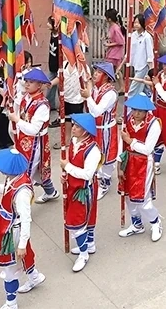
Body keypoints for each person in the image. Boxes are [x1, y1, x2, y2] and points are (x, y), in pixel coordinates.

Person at [0, 149, 46, 307]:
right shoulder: (15, 179)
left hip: (12, 232)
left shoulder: (22, 192)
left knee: (9, 270)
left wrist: (22, 244)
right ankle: (35, 277)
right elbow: (5, 190)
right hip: (7, 228)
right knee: (22, 258)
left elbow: (26, 219)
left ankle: (11, 303)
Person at [117, 95, 163, 242]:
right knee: (129, 196)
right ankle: (137, 224)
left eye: (140, 111)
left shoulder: (154, 124)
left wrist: (130, 141)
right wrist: (119, 163)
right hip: (129, 160)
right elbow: (121, 144)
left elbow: (148, 149)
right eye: (134, 110)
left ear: (146, 111)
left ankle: (155, 222)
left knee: (143, 198)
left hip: (144, 163)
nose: (136, 114)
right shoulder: (127, 120)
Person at [10, 68, 59, 204]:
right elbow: (17, 101)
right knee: (38, 170)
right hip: (24, 138)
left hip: (36, 142)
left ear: (40, 85)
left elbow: (34, 129)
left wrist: (17, 120)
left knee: (27, 173)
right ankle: (51, 192)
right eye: (26, 81)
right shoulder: (26, 96)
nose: (27, 84)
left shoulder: (42, 105)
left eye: (31, 82)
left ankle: (22, 206)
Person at [62, 113, 100, 272]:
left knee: (76, 223)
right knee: (84, 219)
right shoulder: (73, 141)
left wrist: (67, 167)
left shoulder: (93, 151)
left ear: (85, 131)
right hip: (72, 185)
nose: (73, 128)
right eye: (74, 125)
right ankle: (89, 244)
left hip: (83, 190)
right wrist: (66, 174)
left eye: (77, 126)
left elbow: (87, 174)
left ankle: (83, 254)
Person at [82, 63, 118, 200]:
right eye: (95, 71)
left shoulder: (110, 94)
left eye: (98, 72)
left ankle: (105, 182)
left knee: (107, 155)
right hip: (94, 128)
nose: (95, 74)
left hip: (106, 129)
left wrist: (88, 97)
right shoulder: (96, 88)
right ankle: (96, 177)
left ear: (105, 76)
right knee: (94, 154)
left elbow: (97, 111)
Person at [127, 14, 154, 97]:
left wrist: (151, 68)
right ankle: (150, 101)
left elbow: (150, 54)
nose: (136, 25)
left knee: (134, 88)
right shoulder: (133, 35)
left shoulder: (147, 37)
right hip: (135, 64)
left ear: (142, 24)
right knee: (144, 87)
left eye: (138, 23)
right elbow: (130, 50)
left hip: (143, 65)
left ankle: (129, 105)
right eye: (135, 22)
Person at [103, 9, 126, 86]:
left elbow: (121, 42)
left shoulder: (115, 28)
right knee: (116, 70)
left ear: (109, 18)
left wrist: (108, 45)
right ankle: (121, 87)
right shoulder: (113, 27)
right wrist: (106, 38)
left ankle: (108, 85)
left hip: (115, 53)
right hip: (114, 52)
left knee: (109, 69)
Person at [46, 17, 61, 126]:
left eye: (49, 23)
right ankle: (50, 105)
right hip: (52, 66)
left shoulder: (60, 39)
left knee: (60, 90)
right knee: (50, 86)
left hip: (58, 68)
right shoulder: (52, 35)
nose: (47, 24)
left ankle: (61, 109)